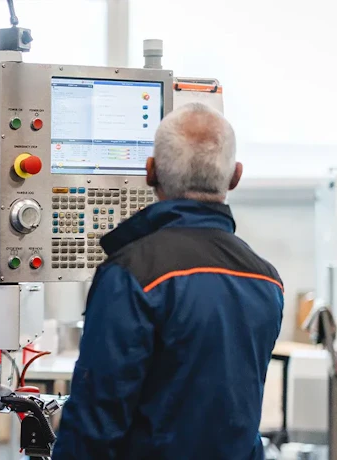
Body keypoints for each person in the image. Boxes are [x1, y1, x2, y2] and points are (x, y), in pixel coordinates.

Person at [52, 102, 284, 460]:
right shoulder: (266, 280)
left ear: (151, 171)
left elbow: (95, 420)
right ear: (235, 176)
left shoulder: (132, 274)